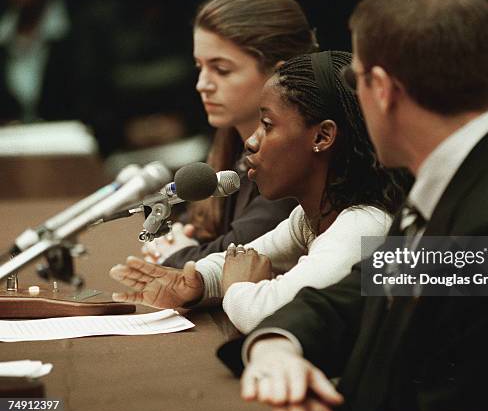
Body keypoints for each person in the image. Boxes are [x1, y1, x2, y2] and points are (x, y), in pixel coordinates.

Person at [232, 0, 488, 411]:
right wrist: (277, 342)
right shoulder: (462, 177)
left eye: (357, 80)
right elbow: (370, 290)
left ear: (383, 90)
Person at [109, 50, 412, 334]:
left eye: (267, 125)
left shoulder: (362, 227)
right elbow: (241, 258)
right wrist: (196, 282)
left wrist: (237, 286)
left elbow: (269, 313)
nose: (251, 142)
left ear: (322, 136)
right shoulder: (308, 218)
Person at [139, 0, 320, 268]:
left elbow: (240, 254)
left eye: (221, 70)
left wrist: (174, 255)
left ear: (280, 73)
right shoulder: (230, 140)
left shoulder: (298, 156)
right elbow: (191, 230)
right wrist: (175, 246)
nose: (202, 85)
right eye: (200, 67)